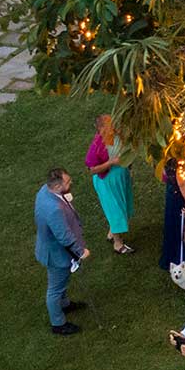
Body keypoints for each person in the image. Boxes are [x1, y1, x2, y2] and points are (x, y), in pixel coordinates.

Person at [33, 167, 89, 334]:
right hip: (57, 255)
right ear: (57, 187)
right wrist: (81, 252)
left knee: (62, 282)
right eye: (67, 182)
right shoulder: (54, 209)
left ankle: (65, 304)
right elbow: (64, 236)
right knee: (55, 289)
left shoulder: (45, 191)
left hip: (54, 249)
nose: (71, 182)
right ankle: (58, 323)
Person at [84, 115, 135, 253]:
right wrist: (111, 162)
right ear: (101, 129)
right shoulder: (97, 145)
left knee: (123, 204)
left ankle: (112, 232)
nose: (113, 127)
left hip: (121, 175)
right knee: (115, 210)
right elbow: (92, 169)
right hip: (107, 180)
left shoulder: (118, 135)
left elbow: (126, 153)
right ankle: (118, 244)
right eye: (109, 125)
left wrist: (129, 168)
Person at [160, 157, 185, 280]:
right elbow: (182, 182)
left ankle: (172, 255)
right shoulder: (181, 158)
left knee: (173, 227)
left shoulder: (166, 153)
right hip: (181, 197)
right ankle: (183, 259)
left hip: (172, 192)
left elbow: (163, 172)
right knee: (183, 228)